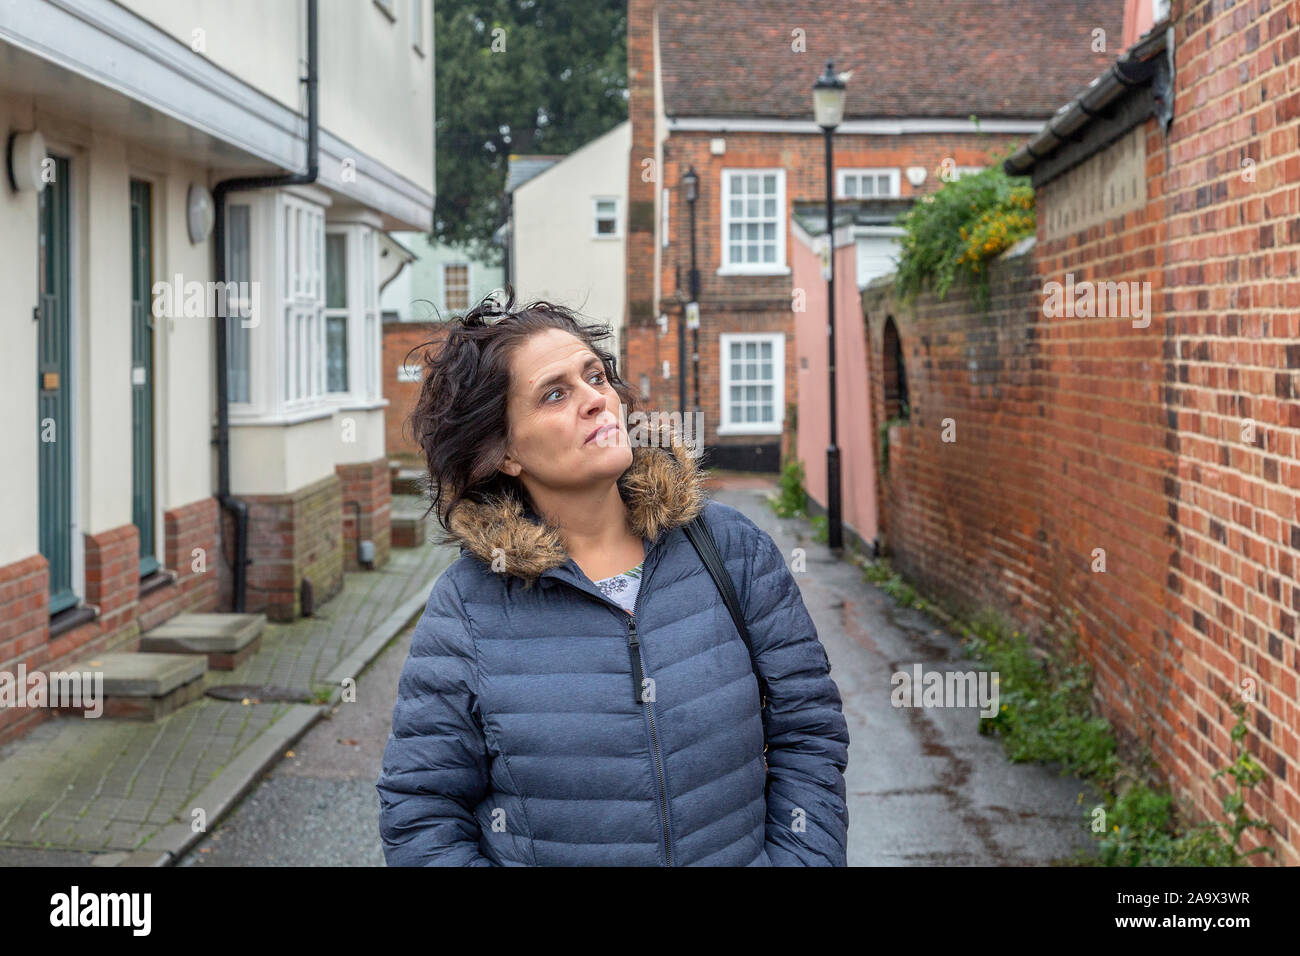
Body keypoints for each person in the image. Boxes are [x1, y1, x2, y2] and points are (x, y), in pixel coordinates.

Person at [375, 287, 849, 866]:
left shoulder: (730, 549)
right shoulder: (469, 605)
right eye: (554, 394)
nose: (596, 401)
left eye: (595, 377)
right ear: (505, 454)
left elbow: (809, 732)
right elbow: (421, 810)